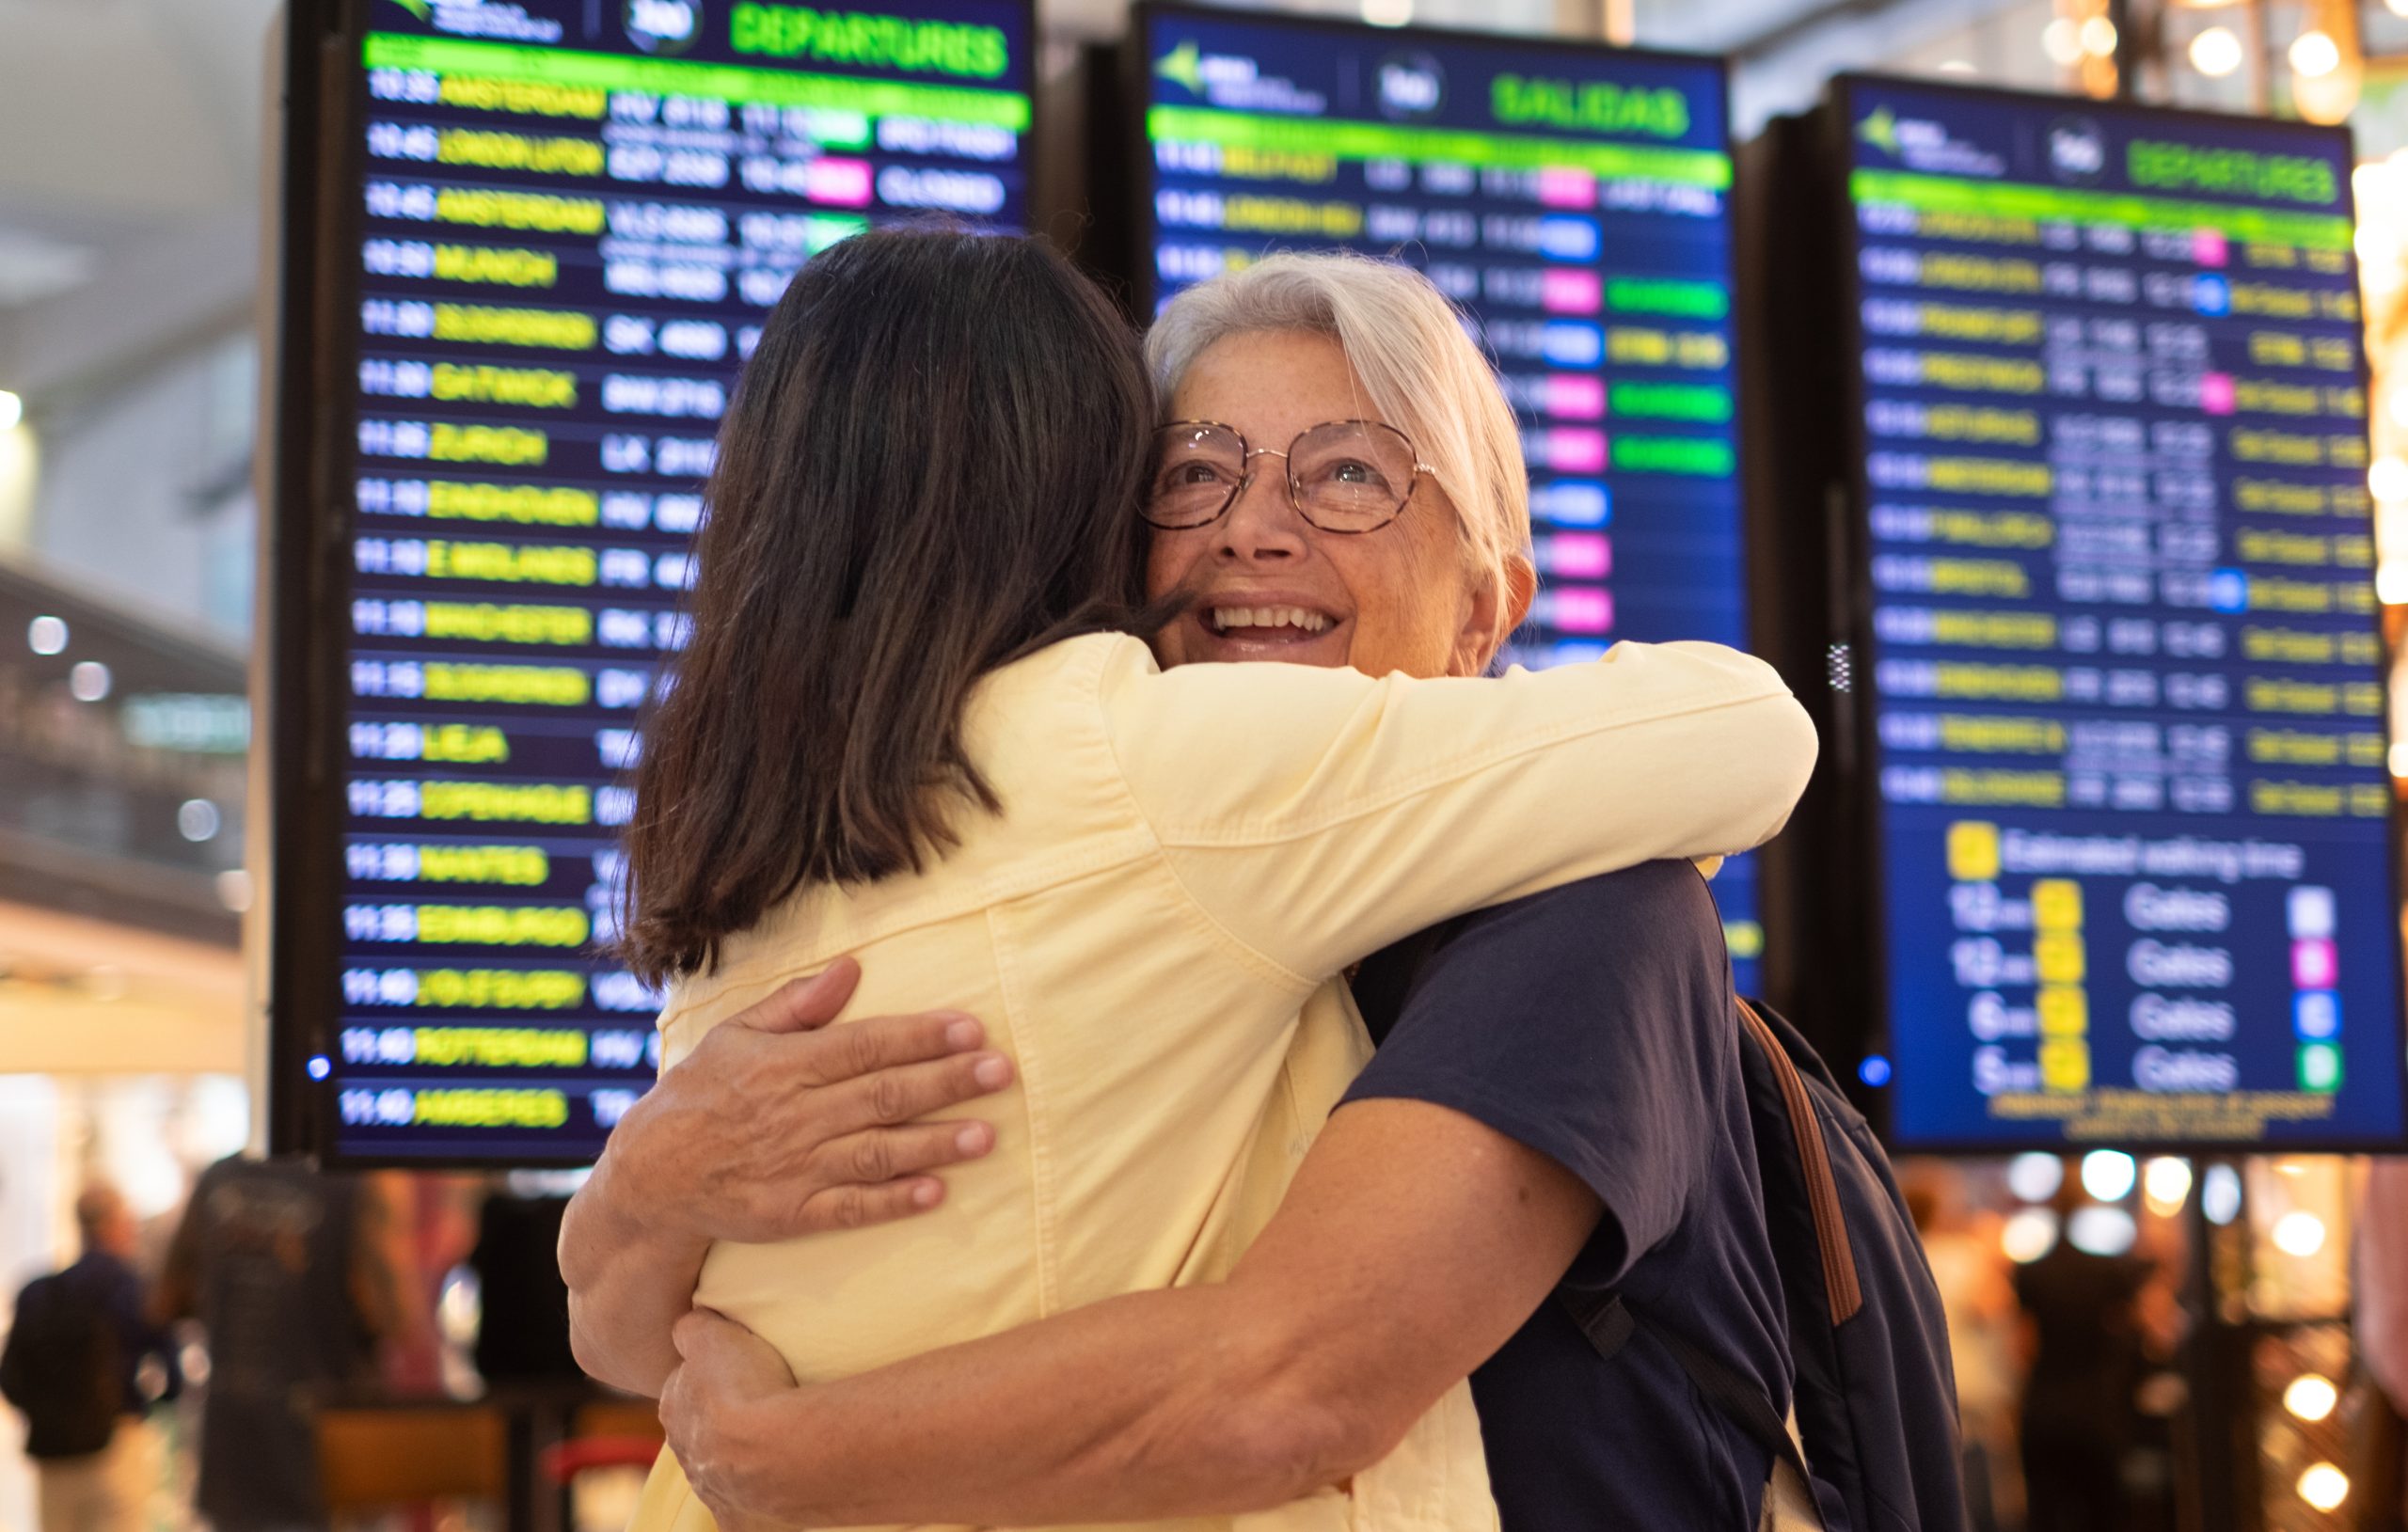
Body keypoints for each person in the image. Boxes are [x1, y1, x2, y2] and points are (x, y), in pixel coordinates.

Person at [562, 245, 1819, 1531]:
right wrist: (639, 1192)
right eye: (1194, 474)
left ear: (1484, 614)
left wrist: (790, 1450)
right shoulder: (1115, 799)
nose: (1251, 527)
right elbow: (632, 1326)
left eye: (1348, 474)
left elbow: (1290, 1384)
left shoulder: (1587, 909)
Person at [153, 1157, 414, 1532]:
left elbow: (167, 1300)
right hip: (326, 1462)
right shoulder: (354, 1181)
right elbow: (394, 1317)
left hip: (235, 1454)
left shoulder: (218, 1180)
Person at [0, 1183, 178, 1532]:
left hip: (53, 1451)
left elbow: (8, 1377)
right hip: (117, 1444)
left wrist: (53, 1411)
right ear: (114, 1225)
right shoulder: (134, 1288)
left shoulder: (38, 1293)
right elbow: (172, 1375)